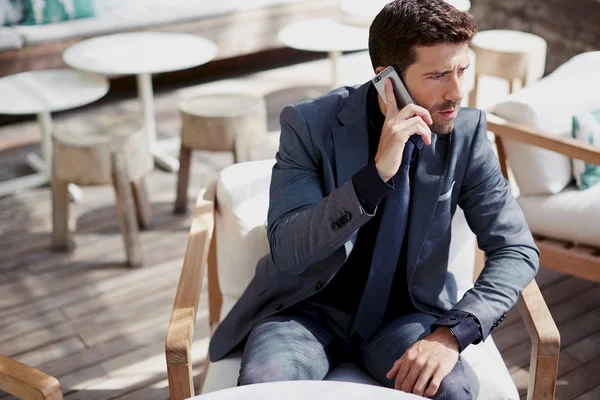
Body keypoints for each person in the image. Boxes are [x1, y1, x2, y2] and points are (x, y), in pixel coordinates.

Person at [208, 0, 539, 398]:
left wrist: (451, 334)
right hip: (307, 313)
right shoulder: (308, 125)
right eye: (437, 75)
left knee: (452, 392)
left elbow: (516, 248)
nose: (456, 91)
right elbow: (289, 251)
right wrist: (375, 176)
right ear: (388, 81)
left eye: (462, 70)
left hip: (405, 318)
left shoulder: (466, 137)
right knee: (267, 389)